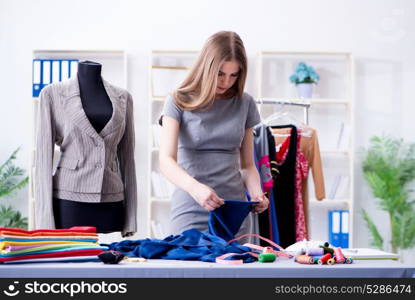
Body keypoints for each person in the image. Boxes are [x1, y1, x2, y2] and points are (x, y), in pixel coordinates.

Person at [159, 31, 269, 236]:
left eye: (233, 75)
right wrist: (196, 189)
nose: (226, 81)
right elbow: (166, 161)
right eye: (220, 73)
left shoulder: (245, 103)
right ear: (206, 67)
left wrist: (256, 192)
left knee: (236, 266)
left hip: (233, 212)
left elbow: (247, 166)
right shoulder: (177, 100)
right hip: (191, 207)